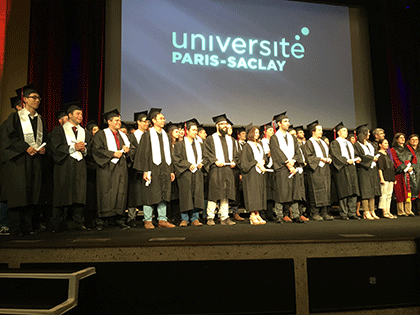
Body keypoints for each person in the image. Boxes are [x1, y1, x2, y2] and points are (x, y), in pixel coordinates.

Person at [1, 84, 47, 235]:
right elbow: (8, 138)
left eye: (38, 98)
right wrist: (24, 147)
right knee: (19, 194)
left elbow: (43, 139)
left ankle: (28, 226)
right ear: (25, 100)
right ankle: (16, 228)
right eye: (34, 97)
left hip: (34, 161)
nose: (37, 100)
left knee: (32, 194)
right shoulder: (15, 117)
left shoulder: (40, 120)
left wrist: (43, 149)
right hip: (19, 162)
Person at [50, 101, 91, 232]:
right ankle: (57, 224)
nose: (81, 116)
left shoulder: (84, 132)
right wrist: (73, 147)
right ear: (69, 115)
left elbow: (89, 148)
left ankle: (78, 222)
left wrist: (84, 149)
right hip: (64, 166)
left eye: (81, 114)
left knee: (79, 195)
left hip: (79, 166)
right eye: (78, 114)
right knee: (62, 193)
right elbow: (55, 148)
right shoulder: (59, 130)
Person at [133, 108, 175, 229]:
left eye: (163, 118)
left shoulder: (166, 136)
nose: (163, 120)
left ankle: (162, 219)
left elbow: (170, 154)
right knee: (150, 193)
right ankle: (148, 220)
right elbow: (143, 154)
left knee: (163, 193)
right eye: (161, 118)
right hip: (152, 168)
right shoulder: (147, 135)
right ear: (153, 120)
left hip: (165, 168)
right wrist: (145, 170)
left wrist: (171, 170)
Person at [93, 109, 133, 230]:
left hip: (121, 167)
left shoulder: (123, 136)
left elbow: (132, 149)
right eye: (116, 120)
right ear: (109, 121)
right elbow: (96, 150)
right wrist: (112, 154)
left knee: (121, 191)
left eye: (120, 121)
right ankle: (102, 220)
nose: (119, 123)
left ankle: (119, 219)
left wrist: (128, 151)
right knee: (106, 191)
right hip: (107, 167)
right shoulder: (101, 134)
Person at [269, 112, 306, 223]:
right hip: (281, 168)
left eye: (288, 121)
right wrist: (287, 163)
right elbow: (277, 152)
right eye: (285, 121)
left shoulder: (292, 138)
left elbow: (297, 152)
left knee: (294, 192)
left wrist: (293, 161)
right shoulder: (274, 138)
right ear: (279, 123)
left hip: (292, 167)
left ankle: (295, 215)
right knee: (281, 192)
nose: (288, 123)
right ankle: (279, 215)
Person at [203, 114, 239, 226]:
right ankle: (210, 217)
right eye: (222, 124)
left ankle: (224, 217)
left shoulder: (231, 140)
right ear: (217, 126)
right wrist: (214, 160)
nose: (225, 126)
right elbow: (206, 153)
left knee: (226, 194)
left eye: (226, 124)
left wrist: (235, 162)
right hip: (216, 169)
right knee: (214, 194)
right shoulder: (210, 139)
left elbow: (236, 154)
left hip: (228, 169)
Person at [173, 119, 204, 226]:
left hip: (197, 173)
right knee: (185, 195)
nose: (196, 132)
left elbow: (205, 158)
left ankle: (195, 218)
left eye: (196, 130)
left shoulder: (200, 145)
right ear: (187, 131)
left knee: (197, 195)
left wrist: (202, 163)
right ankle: (184, 219)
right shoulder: (179, 145)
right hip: (185, 174)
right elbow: (176, 159)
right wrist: (187, 165)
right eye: (194, 130)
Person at [302, 121, 334, 221]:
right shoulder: (309, 143)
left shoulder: (323, 143)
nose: (321, 132)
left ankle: (324, 212)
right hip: (315, 170)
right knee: (315, 191)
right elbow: (309, 157)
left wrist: (329, 158)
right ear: (313, 131)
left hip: (324, 169)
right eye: (319, 130)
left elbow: (327, 154)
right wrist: (320, 159)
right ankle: (314, 213)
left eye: (321, 130)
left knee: (325, 190)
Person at [329, 122, 360, 220]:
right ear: (338, 132)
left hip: (352, 168)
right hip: (342, 168)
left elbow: (352, 154)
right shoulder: (335, 143)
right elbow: (335, 155)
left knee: (353, 190)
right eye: (343, 131)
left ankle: (352, 212)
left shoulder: (349, 143)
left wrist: (356, 158)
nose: (346, 132)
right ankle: (344, 213)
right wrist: (345, 160)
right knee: (344, 191)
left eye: (346, 130)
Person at [353, 125, 381, 220]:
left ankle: (372, 210)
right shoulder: (356, 145)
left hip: (372, 169)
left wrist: (375, 157)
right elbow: (358, 156)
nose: (369, 134)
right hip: (363, 170)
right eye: (367, 132)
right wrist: (371, 158)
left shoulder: (370, 144)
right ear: (362, 134)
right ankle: (366, 211)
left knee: (372, 190)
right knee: (365, 191)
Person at [241, 125, 268, 225]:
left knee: (259, 192)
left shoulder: (259, 144)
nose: (257, 135)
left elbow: (263, 156)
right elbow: (244, 163)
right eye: (255, 133)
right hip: (251, 173)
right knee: (253, 193)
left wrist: (263, 162)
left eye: (258, 133)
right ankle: (252, 215)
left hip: (259, 172)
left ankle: (257, 213)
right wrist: (256, 163)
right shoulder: (246, 146)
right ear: (250, 134)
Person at [126, 111, 148, 227]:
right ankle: (131, 217)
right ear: (138, 122)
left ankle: (148, 217)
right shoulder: (132, 137)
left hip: (148, 169)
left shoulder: (149, 135)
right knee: (134, 194)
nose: (147, 124)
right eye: (144, 121)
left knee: (147, 194)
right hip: (135, 169)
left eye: (148, 121)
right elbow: (132, 152)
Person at [390, 133, 417, 216]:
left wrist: (412, 166)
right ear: (396, 139)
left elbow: (414, 158)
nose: (402, 139)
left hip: (409, 173)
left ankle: (409, 210)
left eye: (403, 137)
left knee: (409, 191)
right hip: (400, 173)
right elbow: (395, 160)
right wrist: (404, 168)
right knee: (400, 192)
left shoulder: (408, 148)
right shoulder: (393, 150)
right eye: (400, 138)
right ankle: (401, 211)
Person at [377, 139, 396, 219]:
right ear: (380, 144)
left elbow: (391, 167)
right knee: (383, 195)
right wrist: (381, 178)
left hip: (390, 176)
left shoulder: (387, 154)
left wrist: (393, 178)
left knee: (389, 195)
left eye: (387, 143)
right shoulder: (379, 155)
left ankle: (388, 211)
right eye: (385, 143)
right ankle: (384, 212)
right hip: (384, 176)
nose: (387, 144)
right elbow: (380, 168)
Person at [407, 134, 420, 214]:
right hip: (411, 173)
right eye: (412, 139)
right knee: (412, 192)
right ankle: (412, 210)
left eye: (416, 139)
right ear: (409, 141)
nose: (415, 141)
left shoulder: (419, 151)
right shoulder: (407, 151)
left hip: (419, 172)